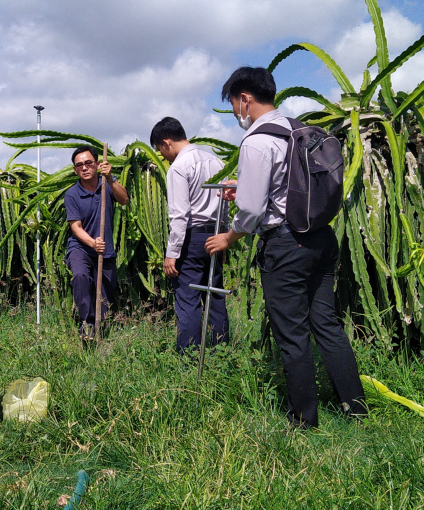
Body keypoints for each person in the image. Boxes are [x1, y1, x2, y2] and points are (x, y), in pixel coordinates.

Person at [205, 66, 366, 428]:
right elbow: (284, 183)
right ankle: (356, 408)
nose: (235, 113)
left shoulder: (257, 140)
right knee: (326, 325)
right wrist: (243, 182)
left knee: (292, 334)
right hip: (321, 239)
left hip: (286, 245)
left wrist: (230, 236)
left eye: (233, 104)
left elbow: (250, 209)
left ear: (244, 99)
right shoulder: (298, 130)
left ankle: (304, 421)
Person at [150, 117, 229, 354]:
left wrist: (171, 253)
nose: (163, 156)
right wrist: (224, 238)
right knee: (215, 296)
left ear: (166, 142)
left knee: (188, 300)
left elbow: (180, 215)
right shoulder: (216, 161)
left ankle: (189, 357)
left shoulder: (179, 168)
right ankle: (220, 352)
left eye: (160, 150)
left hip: (191, 239)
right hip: (215, 235)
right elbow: (225, 205)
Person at [64, 145, 129, 343]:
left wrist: (110, 179)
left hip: (105, 249)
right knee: (81, 276)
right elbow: (76, 227)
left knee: (105, 291)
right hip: (81, 247)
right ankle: (87, 324)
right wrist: (93, 243)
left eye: (88, 163)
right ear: (75, 169)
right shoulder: (72, 194)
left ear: (98, 164)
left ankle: (101, 329)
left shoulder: (107, 184)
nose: (84, 168)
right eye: (79, 165)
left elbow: (124, 199)